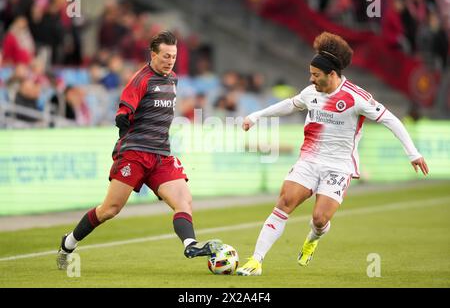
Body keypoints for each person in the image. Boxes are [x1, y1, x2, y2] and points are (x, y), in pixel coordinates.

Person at [236, 31, 429, 276]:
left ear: (332, 74)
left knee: (319, 219)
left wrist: (412, 153)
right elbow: (289, 105)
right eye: (311, 74)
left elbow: (391, 120)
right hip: (309, 159)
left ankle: (313, 239)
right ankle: (256, 261)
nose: (311, 79)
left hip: (339, 166)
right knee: (284, 203)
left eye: (316, 75)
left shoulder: (356, 97)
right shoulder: (311, 93)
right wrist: (256, 116)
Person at [56, 31, 222, 270]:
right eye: (165, 56)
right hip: (134, 154)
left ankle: (190, 244)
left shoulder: (173, 79)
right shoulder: (141, 79)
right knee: (109, 210)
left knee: (184, 200)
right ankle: (68, 242)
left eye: (173, 56)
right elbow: (125, 108)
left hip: (161, 154)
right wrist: (123, 118)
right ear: (153, 55)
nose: (170, 60)